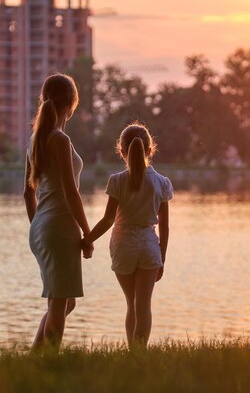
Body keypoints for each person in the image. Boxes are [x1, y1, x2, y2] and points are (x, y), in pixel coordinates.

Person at [83, 122, 173, 348]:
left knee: (131, 304)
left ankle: (132, 352)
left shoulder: (117, 181)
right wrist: (162, 258)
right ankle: (138, 355)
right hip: (149, 245)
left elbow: (107, 220)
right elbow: (165, 227)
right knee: (143, 306)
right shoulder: (161, 182)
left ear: (122, 151)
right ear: (150, 150)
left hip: (123, 244)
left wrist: (85, 241)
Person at [23, 73, 94, 352]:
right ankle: (48, 365)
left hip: (41, 227)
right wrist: (88, 233)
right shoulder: (60, 140)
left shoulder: (34, 140)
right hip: (59, 227)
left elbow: (28, 193)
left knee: (64, 301)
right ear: (73, 104)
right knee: (59, 302)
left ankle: (35, 359)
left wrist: (37, 227)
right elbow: (71, 192)